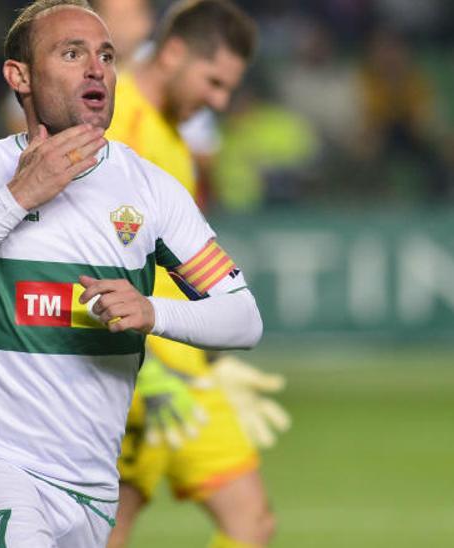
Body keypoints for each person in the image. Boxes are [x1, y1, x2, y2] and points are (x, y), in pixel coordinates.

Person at [0, 1, 264, 546]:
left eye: (106, 56)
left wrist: (153, 310)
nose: (97, 69)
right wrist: (19, 196)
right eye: (72, 53)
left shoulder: (151, 189)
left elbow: (243, 317)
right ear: (20, 76)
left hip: (91, 488)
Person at [102, 2, 287, 547]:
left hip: (184, 370)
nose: (219, 101)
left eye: (228, 89)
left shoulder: (172, 140)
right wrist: (149, 370)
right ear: (175, 52)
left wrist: (206, 357)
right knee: (107, 529)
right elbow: (84, 255)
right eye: (213, 82)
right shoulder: (119, 122)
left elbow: (172, 267)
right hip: (137, 372)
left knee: (251, 524)